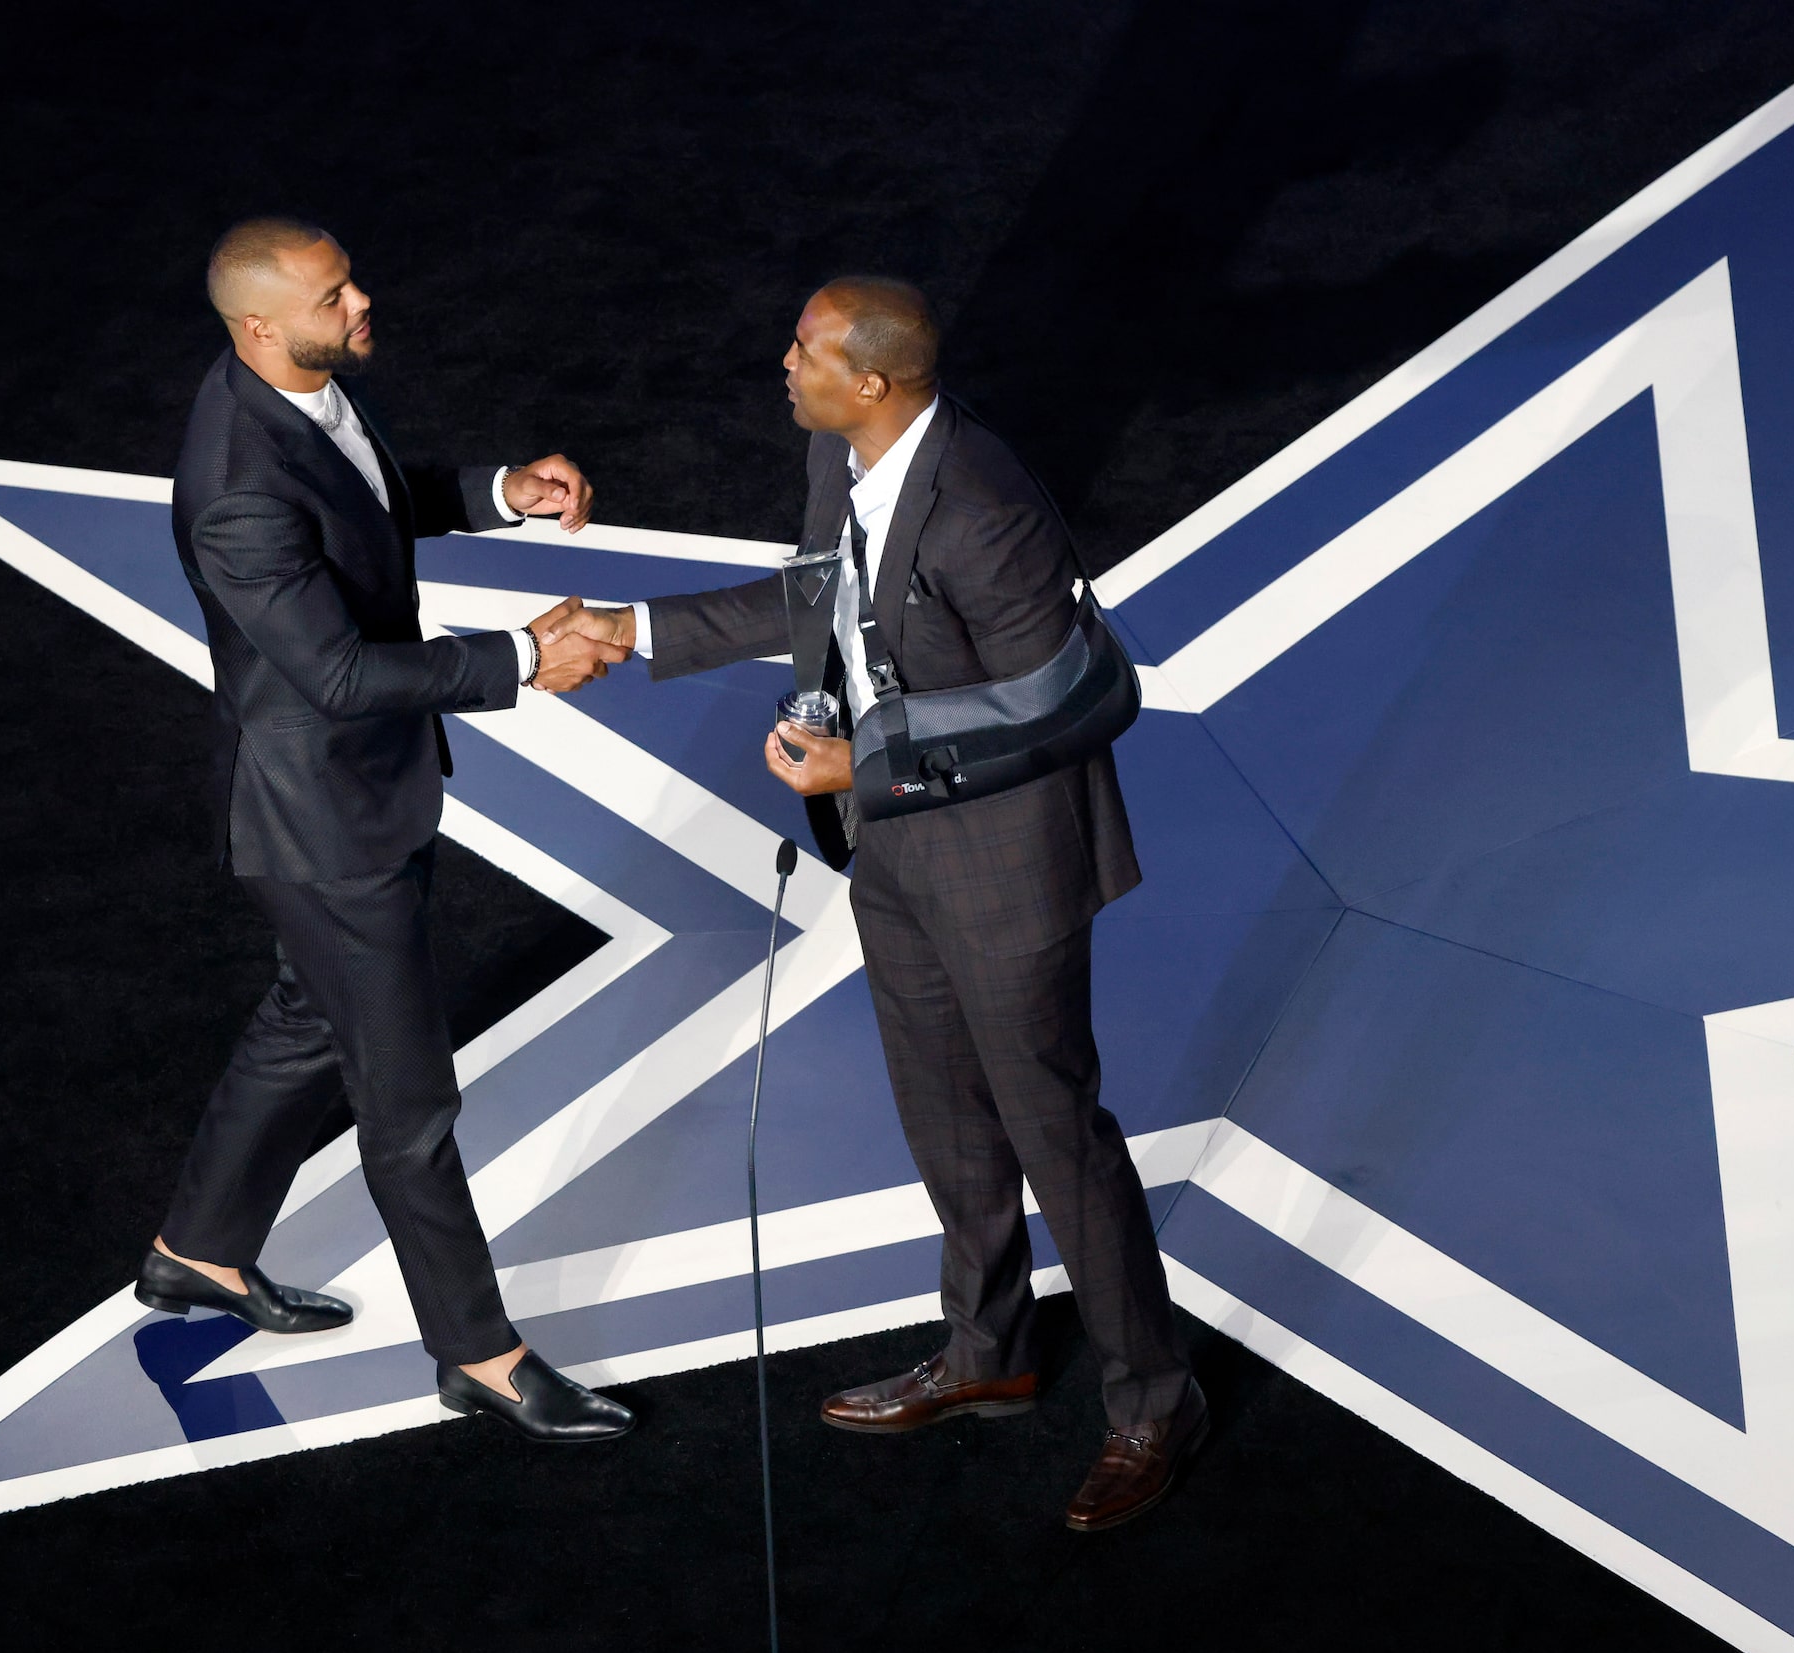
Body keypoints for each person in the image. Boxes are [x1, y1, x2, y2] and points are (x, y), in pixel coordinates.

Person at [555, 277, 1203, 1528]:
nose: (779, 364)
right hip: (897, 852)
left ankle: (1154, 1405)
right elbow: (825, 600)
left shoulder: (987, 509)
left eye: (801, 350)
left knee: (1056, 1142)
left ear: (873, 382)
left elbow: (1075, 698)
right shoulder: (841, 450)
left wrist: (880, 759)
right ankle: (986, 1357)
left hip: (1007, 866)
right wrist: (633, 630)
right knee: (947, 1121)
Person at [138, 216, 633, 1443]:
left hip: (357, 794)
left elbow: (366, 503)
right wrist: (527, 656)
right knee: (408, 1109)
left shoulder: (296, 394)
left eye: (351, 277)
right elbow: (342, 676)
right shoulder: (236, 489)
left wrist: (497, 495)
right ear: (262, 327)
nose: (361, 300)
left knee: (313, 1015)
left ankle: (196, 1251)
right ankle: (480, 1353)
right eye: (331, 295)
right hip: (325, 826)